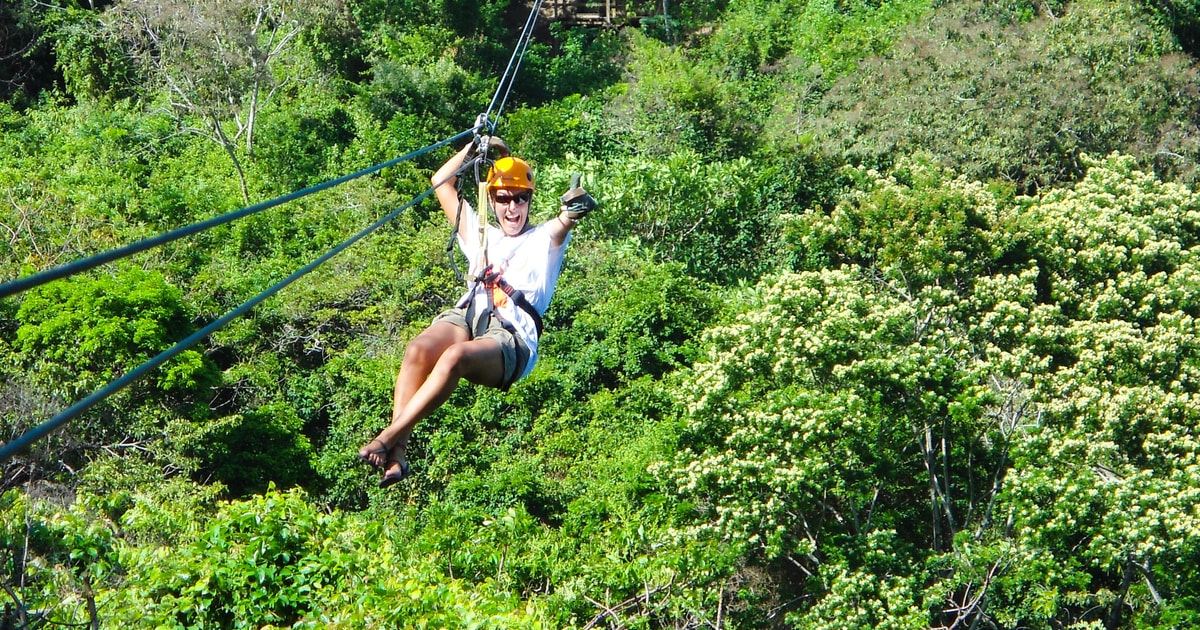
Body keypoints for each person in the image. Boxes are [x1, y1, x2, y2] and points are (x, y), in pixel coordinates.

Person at [358, 137, 596, 488]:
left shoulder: (544, 239)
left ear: (531, 202)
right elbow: (441, 182)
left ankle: (388, 436)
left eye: (521, 198)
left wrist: (572, 210)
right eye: (503, 198)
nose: (512, 207)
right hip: (471, 316)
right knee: (418, 350)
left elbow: (564, 223)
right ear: (492, 200)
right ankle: (399, 454)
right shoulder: (481, 232)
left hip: (511, 337)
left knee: (455, 357)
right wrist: (474, 148)